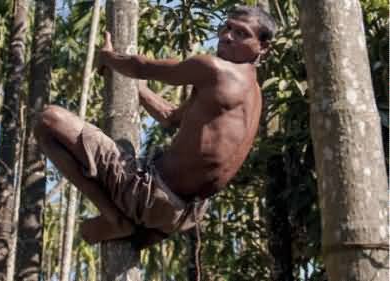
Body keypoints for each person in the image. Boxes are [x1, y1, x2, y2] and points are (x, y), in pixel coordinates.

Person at [34, 5, 276, 249]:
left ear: (263, 47)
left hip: (147, 193)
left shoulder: (214, 69)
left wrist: (108, 57)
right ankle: (127, 220)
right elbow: (169, 116)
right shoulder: (251, 94)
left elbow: (140, 67)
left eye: (241, 33)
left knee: (47, 119)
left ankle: (115, 218)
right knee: (89, 229)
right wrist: (136, 89)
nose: (227, 36)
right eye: (227, 27)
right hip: (177, 216)